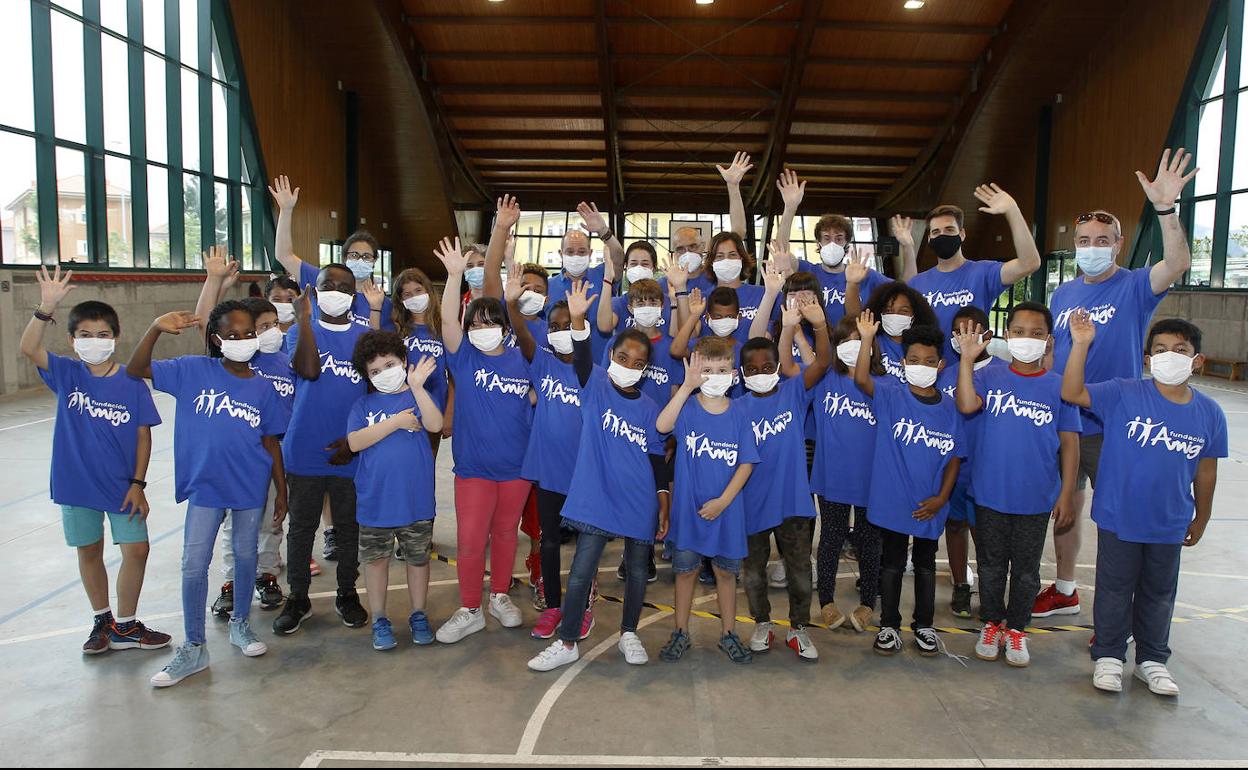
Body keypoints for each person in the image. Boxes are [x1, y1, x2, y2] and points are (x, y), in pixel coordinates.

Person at [1037, 148, 1198, 619]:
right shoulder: (1063, 292)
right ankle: (1065, 588)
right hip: (1064, 419)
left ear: (1118, 244)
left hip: (1112, 422)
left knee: (1114, 518)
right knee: (1065, 507)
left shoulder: (1135, 285)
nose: (1091, 245)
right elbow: (1056, 352)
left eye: (1101, 239)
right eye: (1084, 238)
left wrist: (1166, 209)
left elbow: (1177, 261)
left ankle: (1114, 612)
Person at [1062, 315, 1225, 696]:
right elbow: (1072, 392)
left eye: (1181, 350)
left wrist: (1202, 517)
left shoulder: (1210, 414)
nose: (1170, 356)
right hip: (1120, 517)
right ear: (1148, 358)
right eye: (1161, 349)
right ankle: (1109, 656)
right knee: (1114, 589)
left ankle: (1152, 659)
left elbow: (1206, 472)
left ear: (1196, 360)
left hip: (1169, 521)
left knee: (1159, 592)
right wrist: (1081, 343)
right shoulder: (1124, 392)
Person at [127, 300, 288, 687]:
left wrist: (281, 491)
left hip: (249, 486)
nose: (242, 340)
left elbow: (271, 443)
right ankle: (194, 646)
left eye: (248, 333)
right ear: (216, 340)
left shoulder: (265, 389)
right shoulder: (192, 371)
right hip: (205, 487)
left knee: (246, 554)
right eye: (232, 335)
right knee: (194, 563)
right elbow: (136, 369)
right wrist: (155, 328)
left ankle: (241, 625)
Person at [18, 266, 169, 656]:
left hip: (123, 488)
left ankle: (127, 623)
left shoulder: (132, 382)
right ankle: (102, 619)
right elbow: (29, 348)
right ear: (72, 339)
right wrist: (45, 307)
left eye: (103, 335)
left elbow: (142, 434)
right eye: (85, 335)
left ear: (116, 338)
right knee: (89, 550)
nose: (94, 341)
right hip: (76, 484)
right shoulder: (67, 373)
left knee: (137, 550)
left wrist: (138, 483)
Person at [526, 282, 673, 671]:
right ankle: (568, 640)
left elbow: (657, 457)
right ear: (611, 355)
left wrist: (662, 497)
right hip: (596, 495)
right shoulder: (593, 387)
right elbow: (581, 356)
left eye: (637, 362)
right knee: (580, 574)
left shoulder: (648, 407)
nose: (628, 365)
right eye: (622, 356)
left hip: (638, 496)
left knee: (638, 570)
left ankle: (629, 633)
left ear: (645, 370)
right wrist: (577, 319)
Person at [953, 302, 1081, 667]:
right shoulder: (989, 377)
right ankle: (992, 623)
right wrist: (966, 359)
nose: (1027, 339)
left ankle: (1017, 629)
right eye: (1020, 332)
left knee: (1026, 571)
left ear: (1048, 340)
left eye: (1036, 333)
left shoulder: (1059, 387)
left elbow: (1070, 442)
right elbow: (965, 405)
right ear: (1007, 336)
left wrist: (1067, 492)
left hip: (1036, 498)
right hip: (990, 494)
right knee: (991, 566)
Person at [433, 236, 534, 643]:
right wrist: (455, 276)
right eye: (475, 323)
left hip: (516, 468)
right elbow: (446, 324)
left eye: (491, 322)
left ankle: (500, 596)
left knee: (507, 534)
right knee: (472, 540)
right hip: (473, 469)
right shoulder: (464, 356)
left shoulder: (522, 358)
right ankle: (470, 607)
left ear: (505, 328)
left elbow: (538, 394)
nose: (482, 328)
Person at [853, 313, 965, 658]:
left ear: (941, 365)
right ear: (903, 363)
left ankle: (925, 625)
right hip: (894, 502)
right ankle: (888, 624)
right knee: (892, 563)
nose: (921, 366)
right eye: (913, 360)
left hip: (931, 503)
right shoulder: (890, 395)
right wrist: (867, 339)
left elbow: (955, 458)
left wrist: (941, 498)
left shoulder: (950, 409)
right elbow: (860, 379)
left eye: (929, 361)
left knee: (927, 564)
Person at [272, 265, 370, 635]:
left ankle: (347, 593)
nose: (336, 291)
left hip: (351, 449)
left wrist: (355, 439)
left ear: (354, 295)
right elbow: (309, 370)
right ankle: (298, 597)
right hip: (305, 449)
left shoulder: (365, 337)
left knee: (347, 528)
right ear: (316, 290)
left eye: (344, 287)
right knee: (302, 528)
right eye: (328, 285)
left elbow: (374, 395)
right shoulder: (300, 330)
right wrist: (305, 319)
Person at [194, 250, 292, 617]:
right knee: (234, 527)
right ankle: (233, 582)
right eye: (258, 327)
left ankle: (267, 575)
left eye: (271, 326)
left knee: (271, 521)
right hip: (234, 459)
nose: (265, 333)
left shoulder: (284, 362)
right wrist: (214, 281)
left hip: (273, 455)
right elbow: (203, 323)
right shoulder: (230, 363)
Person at [657, 340, 759, 664]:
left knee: (726, 574)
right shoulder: (687, 410)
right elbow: (662, 426)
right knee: (685, 572)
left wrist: (724, 501)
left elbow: (747, 462)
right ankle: (680, 632)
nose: (715, 376)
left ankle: (729, 633)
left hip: (726, 512)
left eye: (721, 370)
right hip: (688, 513)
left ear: (733, 373)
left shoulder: (741, 411)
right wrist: (686, 388)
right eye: (707, 370)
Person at [739, 301, 831, 662]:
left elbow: (822, 362)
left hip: (793, 503)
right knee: (754, 571)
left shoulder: (793, 392)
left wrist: (817, 326)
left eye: (767, 366)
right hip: (751, 504)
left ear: (777, 367)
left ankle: (798, 628)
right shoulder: (737, 409)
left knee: (798, 570)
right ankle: (762, 622)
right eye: (752, 368)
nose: (760, 372)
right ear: (742, 373)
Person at [504, 271, 592, 639]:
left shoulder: (592, 372)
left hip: (585, 474)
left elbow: (583, 352)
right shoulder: (542, 363)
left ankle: (584, 605)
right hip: (549, 471)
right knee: (551, 540)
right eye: (553, 326)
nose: (559, 331)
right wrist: (511, 303)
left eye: (566, 325)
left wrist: (577, 319)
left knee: (589, 546)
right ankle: (554, 606)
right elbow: (523, 334)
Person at [346, 333, 442, 650]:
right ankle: (379, 619)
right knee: (376, 563)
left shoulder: (418, 396)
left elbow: (435, 423)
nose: (383, 373)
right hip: (375, 502)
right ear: (367, 377)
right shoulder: (363, 404)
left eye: (389, 364)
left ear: (403, 361)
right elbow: (355, 442)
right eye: (374, 371)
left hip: (415, 502)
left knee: (417, 560)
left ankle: (418, 613)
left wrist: (417, 387)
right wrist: (396, 422)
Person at [905, 185, 1041, 358]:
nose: (942, 235)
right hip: (932, 372)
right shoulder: (918, 282)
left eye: (949, 230)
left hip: (973, 371)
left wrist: (1012, 211)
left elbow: (1030, 263)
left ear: (961, 234)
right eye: (936, 232)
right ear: (930, 239)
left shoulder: (983, 272)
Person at [810, 316, 883, 633]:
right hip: (832, 480)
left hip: (871, 482)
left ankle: (868, 603)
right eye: (846, 340)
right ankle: (826, 602)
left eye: (861, 338)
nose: (854, 344)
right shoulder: (825, 380)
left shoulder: (885, 384)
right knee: (830, 540)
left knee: (870, 544)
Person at [935, 304, 1004, 619]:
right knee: (955, 525)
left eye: (971, 332)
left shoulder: (1003, 372)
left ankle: (991, 591)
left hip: (988, 468)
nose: (964, 338)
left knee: (987, 532)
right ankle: (961, 584)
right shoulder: (944, 375)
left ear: (986, 336)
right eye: (957, 332)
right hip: (954, 468)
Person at [771, 169, 908, 321]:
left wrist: (908, 247)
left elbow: (906, 287)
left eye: (839, 238)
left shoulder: (864, 275)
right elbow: (780, 251)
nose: (832, 243)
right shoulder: (807, 271)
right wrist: (790, 208)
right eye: (827, 238)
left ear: (846, 243)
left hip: (851, 342)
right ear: (819, 242)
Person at [268, 175, 392, 331]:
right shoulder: (323, 280)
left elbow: (381, 345)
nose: (360, 260)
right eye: (354, 255)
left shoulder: (383, 303)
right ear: (345, 258)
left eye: (366, 256)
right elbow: (284, 255)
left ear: (374, 261)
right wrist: (286, 211)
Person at [541, 200, 626, 360]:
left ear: (590, 253)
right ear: (561, 254)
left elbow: (618, 257)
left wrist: (603, 231)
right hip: (558, 368)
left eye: (581, 251)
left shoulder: (602, 275)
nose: (576, 256)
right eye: (570, 251)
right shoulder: (547, 286)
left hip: (598, 364)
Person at [391, 267, 448, 457]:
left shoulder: (444, 328)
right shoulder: (397, 329)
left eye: (418, 291)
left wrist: (450, 412)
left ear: (428, 292)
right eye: (407, 294)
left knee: (427, 463)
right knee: (403, 462)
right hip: (402, 408)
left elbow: (455, 375)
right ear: (401, 300)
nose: (414, 297)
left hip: (435, 405)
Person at [863, 282, 939, 382]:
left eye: (903, 311)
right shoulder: (871, 342)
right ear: (880, 313)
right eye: (889, 310)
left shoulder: (923, 348)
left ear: (915, 315)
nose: (895, 315)